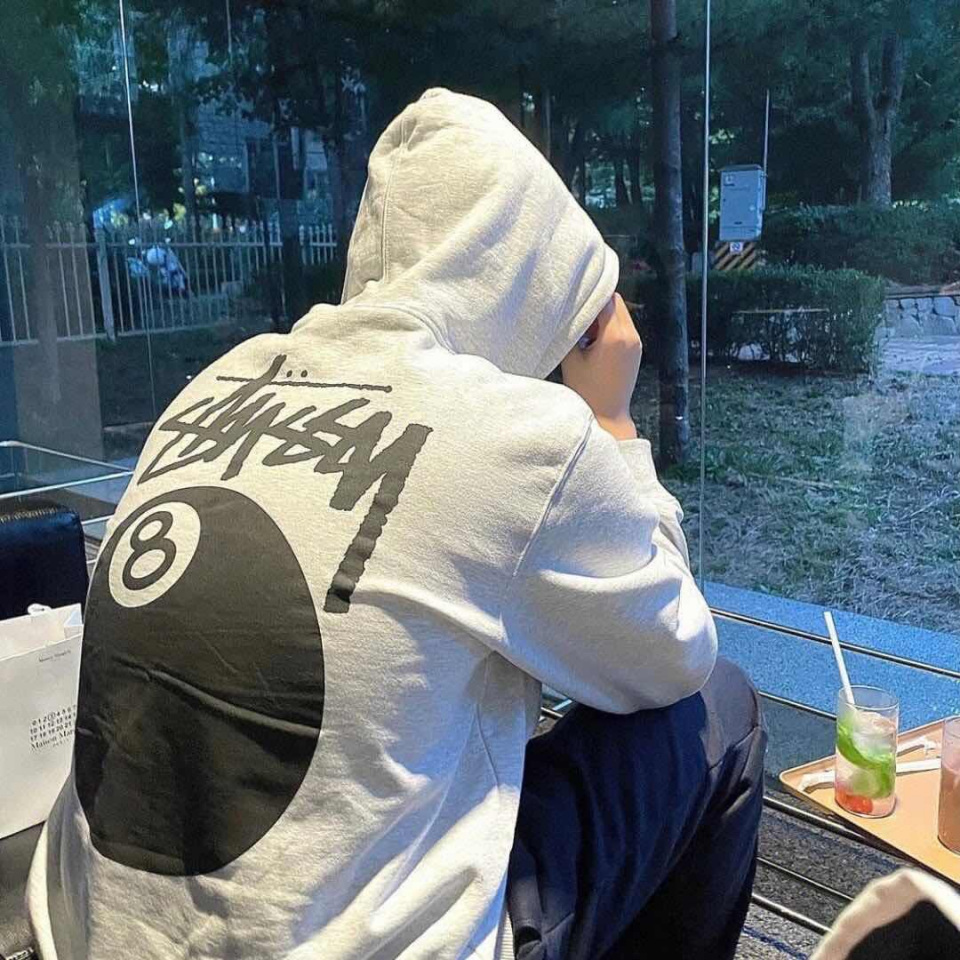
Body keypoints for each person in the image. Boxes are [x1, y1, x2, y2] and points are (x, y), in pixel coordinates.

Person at [27, 89, 765, 960]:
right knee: (722, 707)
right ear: (540, 278)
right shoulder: (521, 435)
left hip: (88, 933)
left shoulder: (218, 383)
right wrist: (613, 425)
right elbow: (676, 651)